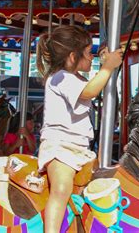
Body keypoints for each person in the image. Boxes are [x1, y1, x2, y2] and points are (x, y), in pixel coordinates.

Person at [36, 25, 122, 233]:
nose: (91, 57)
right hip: (60, 148)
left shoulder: (75, 79)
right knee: (61, 189)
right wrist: (107, 68)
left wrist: (106, 65)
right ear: (73, 56)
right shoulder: (60, 78)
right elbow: (90, 91)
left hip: (80, 149)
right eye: (88, 53)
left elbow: (93, 86)